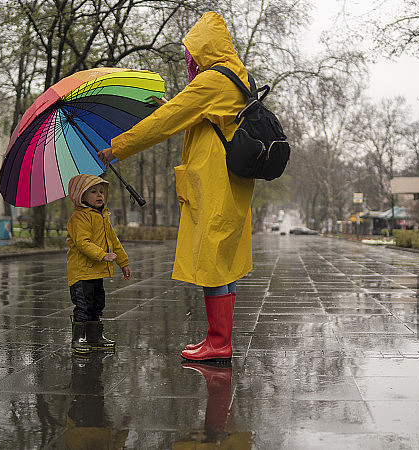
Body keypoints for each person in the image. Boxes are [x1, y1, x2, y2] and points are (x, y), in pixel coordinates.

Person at [98, 11, 254, 362]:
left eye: (192, 53)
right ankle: (219, 338)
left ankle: (219, 341)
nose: (190, 61)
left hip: (215, 180)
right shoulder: (237, 77)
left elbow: (167, 123)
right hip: (231, 180)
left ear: (204, 50)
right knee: (221, 260)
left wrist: (117, 147)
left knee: (213, 259)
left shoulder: (213, 80)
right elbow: (200, 118)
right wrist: (172, 107)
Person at [66, 174, 131, 356]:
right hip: (81, 273)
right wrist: (102, 255)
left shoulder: (103, 217)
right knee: (83, 306)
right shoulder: (79, 218)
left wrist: (123, 263)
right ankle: (78, 338)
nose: (99, 195)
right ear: (81, 195)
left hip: (96, 273)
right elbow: (82, 243)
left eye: (101, 191)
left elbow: (114, 241)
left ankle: (95, 337)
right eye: (93, 191)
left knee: (96, 305)